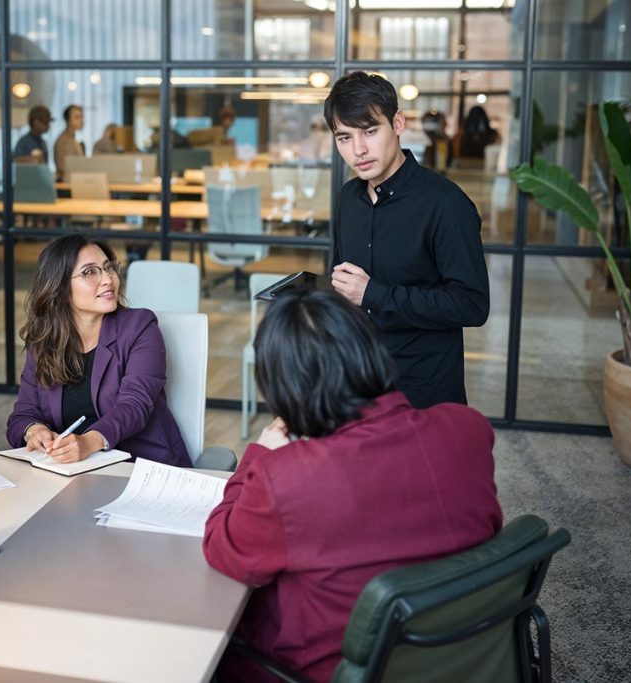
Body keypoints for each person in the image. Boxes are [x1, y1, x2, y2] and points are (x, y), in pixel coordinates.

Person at [203, 289, 502, 682]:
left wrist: (258, 456)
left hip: (327, 669)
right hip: (458, 652)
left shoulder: (286, 477)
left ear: (284, 387)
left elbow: (223, 548)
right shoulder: (468, 429)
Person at [325, 71, 489, 408]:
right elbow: (344, 281)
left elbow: (472, 304)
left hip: (422, 392)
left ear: (398, 123)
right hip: (356, 383)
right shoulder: (348, 198)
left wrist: (374, 294)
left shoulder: (445, 203)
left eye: (370, 131)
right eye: (344, 137)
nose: (358, 150)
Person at [5, 233, 191, 467]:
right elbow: (23, 414)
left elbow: (134, 406)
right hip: (73, 471)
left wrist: (88, 442)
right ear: (59, 287)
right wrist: (34, 430)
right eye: (90, 272)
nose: (108, 279)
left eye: (109, 268)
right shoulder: (44, 341)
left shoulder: (140, 327)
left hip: (141, 467)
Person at [53, 104, 86, 181]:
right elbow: (63, 168)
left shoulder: (74, 140)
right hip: (67, 183)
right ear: (68, 120)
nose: (81, 120)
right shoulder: (63, 141)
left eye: (82, 117)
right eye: (77, 117)